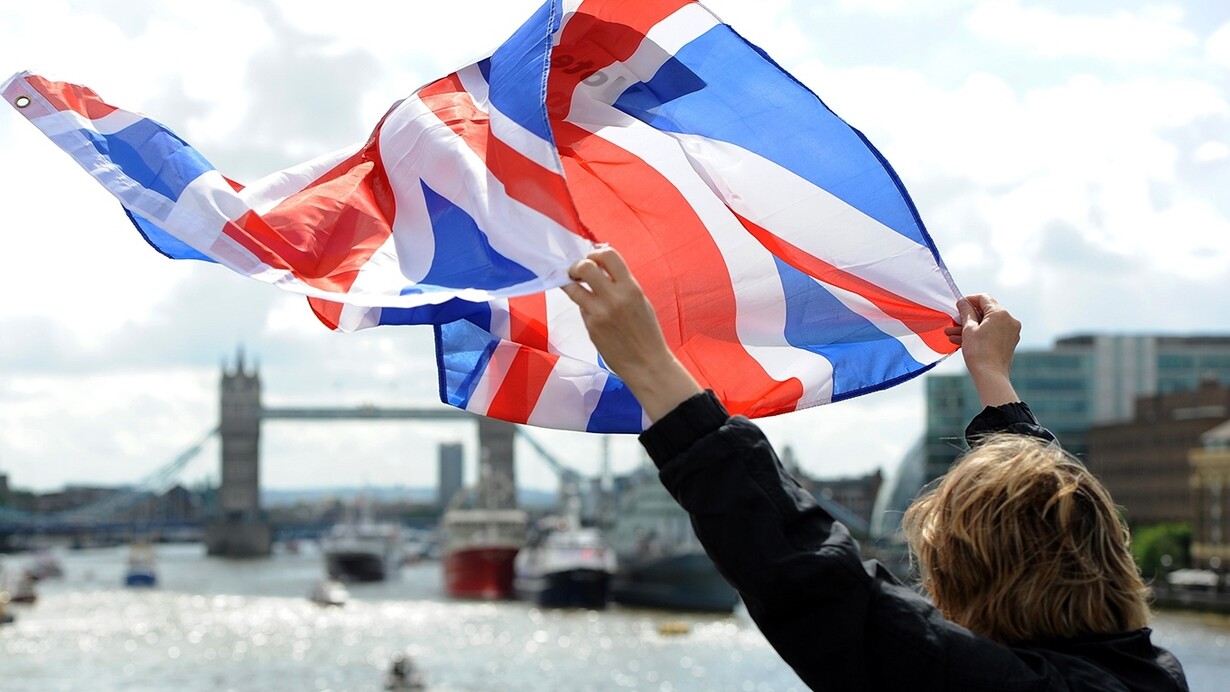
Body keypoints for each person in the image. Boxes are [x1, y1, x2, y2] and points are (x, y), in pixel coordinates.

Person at [561, 247, 1188, 691]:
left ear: (970, 576)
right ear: (1106, 554)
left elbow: (809, 579)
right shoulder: (1151, 671)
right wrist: (994, 383)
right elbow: (1057, 521)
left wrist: (652, 368)